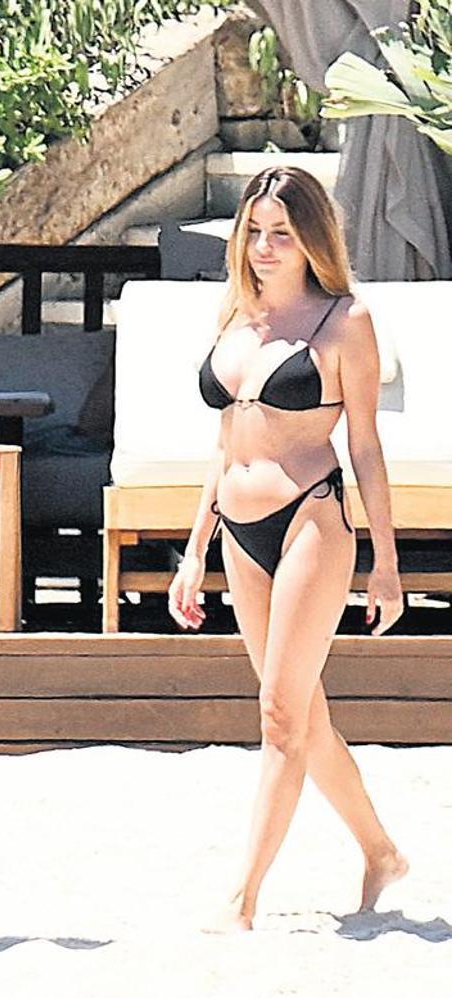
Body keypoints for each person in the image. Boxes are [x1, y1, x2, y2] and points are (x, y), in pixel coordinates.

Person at [168, 166, 407, 931]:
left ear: (312, 239)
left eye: (283, 233)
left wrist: (387, 563)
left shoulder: (345, 320)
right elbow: (225, 443)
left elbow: (365, 446)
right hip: (238, 531)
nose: (265, 247)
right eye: (255, 231)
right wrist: (195, 548)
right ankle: (381, 852)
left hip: (311, 518)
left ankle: (241, 899)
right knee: (303, 714)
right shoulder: (237, 315)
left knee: (278, 714)